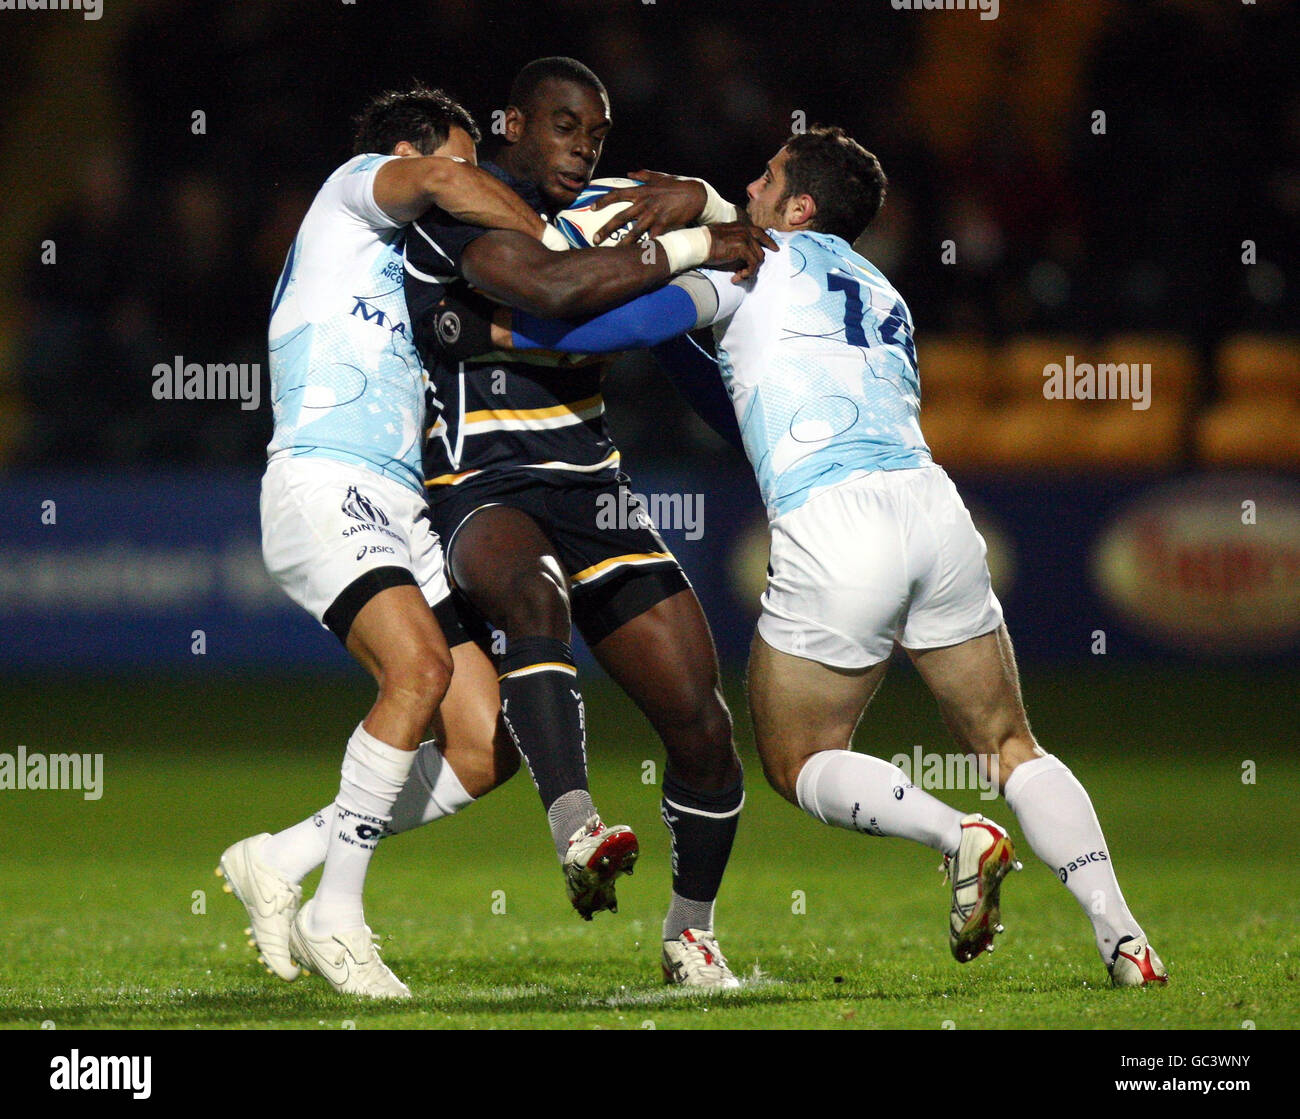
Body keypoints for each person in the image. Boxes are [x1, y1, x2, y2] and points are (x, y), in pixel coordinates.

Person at [459, 125, 1169, 988]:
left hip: (836, 521)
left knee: (798, 759)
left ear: (796, 206)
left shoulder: (746, 261)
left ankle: (957, 836)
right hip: (935, 510)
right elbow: (726, 395)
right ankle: (1125, 938)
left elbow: (596, 328)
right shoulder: (882, 290)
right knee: (1011, 742)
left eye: (763, 180)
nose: (745, 193)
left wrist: (497, 322)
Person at [402, 57, 774, 988]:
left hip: (595, 490)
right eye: (565, 126)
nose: (582, 149)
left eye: (597, 134)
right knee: (533, 600)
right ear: (514, 123)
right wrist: (692, 245)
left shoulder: (622, 201)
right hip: (482, 485)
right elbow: (557, 294)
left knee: (704, 725)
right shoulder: (458, 211)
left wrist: (708, 198)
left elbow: (758, 240)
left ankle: (691, 934)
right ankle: (576, 832)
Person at [218, 85, 577, 999]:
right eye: (458, 160)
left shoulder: (413, 287)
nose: (465, 180)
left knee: (485, 739)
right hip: (323, 478)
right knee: (415, 670)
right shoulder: (351, 192)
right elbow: (445, 188)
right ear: (415, 159)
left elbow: (518, 328)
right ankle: (336, 914)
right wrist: (547, 233)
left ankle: (283, 854)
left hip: (401, 506)